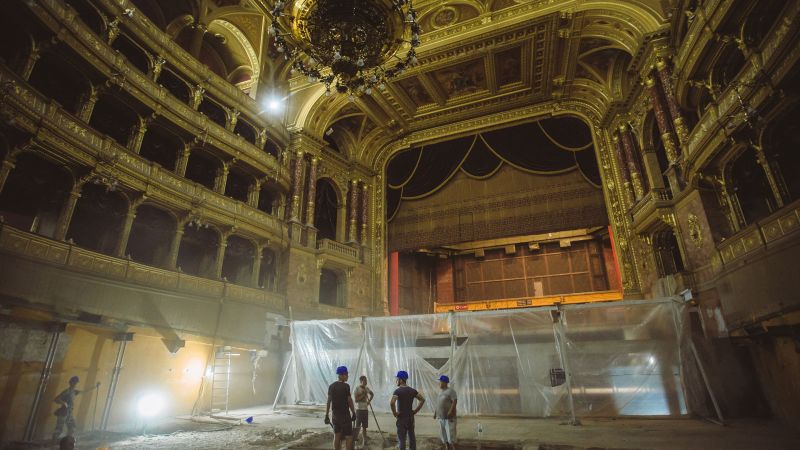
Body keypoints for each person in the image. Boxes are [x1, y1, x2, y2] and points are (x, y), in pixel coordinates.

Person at [390, 370, 425, 450]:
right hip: (410, 417)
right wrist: (415, 411)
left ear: (401, 380)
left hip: (402, 417)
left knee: (402, 440)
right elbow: (422, 400)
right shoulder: (413, 390)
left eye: (397, 379)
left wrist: (395, 413)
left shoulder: (397, 391)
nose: (396, 380)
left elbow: (392, 403)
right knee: (412, 437)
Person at [326, 366, 357, 450]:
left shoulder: (331, 386)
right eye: (347, 374)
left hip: (335, 416)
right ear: (342, 375)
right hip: (345, 416)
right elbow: (349, 400)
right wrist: (353, 412)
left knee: (337, 436)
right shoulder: (346, 386)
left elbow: (328, 401)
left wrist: (326, 415)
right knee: (349, 437)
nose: (347, 376)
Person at [52, 376, 81, 442]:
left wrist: (95, 387)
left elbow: (84, 391)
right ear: (71, 383)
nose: (75, 384)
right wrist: (64, 403)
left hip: (69, 413)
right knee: (59, 429)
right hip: (63, 412)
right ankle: (53, 442)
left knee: (72, 427)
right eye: (74, 382)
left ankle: (68, 441)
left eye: (76, 383)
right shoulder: (67, 391)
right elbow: (56, 399)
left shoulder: (74, 391)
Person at [433, 375, 458, 450]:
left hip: (449, 417)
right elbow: (438, 403)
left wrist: (450, 411)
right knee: (443, 434)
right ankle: (447, 446)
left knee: (451, 434)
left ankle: (453, 447)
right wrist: (435, 413)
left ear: (445, 382)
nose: (439, 383)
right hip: (441, 416)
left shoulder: (451, 391)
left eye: (440, 382)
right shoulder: (440, 391)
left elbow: (454, 401)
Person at [353, 375, 374, 448]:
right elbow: (356, 400)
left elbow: (372, 394)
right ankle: (355, 441)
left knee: (365, 426)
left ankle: (364, 441)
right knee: (357, 426)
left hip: (365, 410)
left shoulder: (366, 388)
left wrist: (369, 402)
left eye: (366, 381)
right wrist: (364, 394)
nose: (366, 382)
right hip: (359, 410)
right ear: (361, 381)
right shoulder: (357, 389)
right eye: (365, 381)